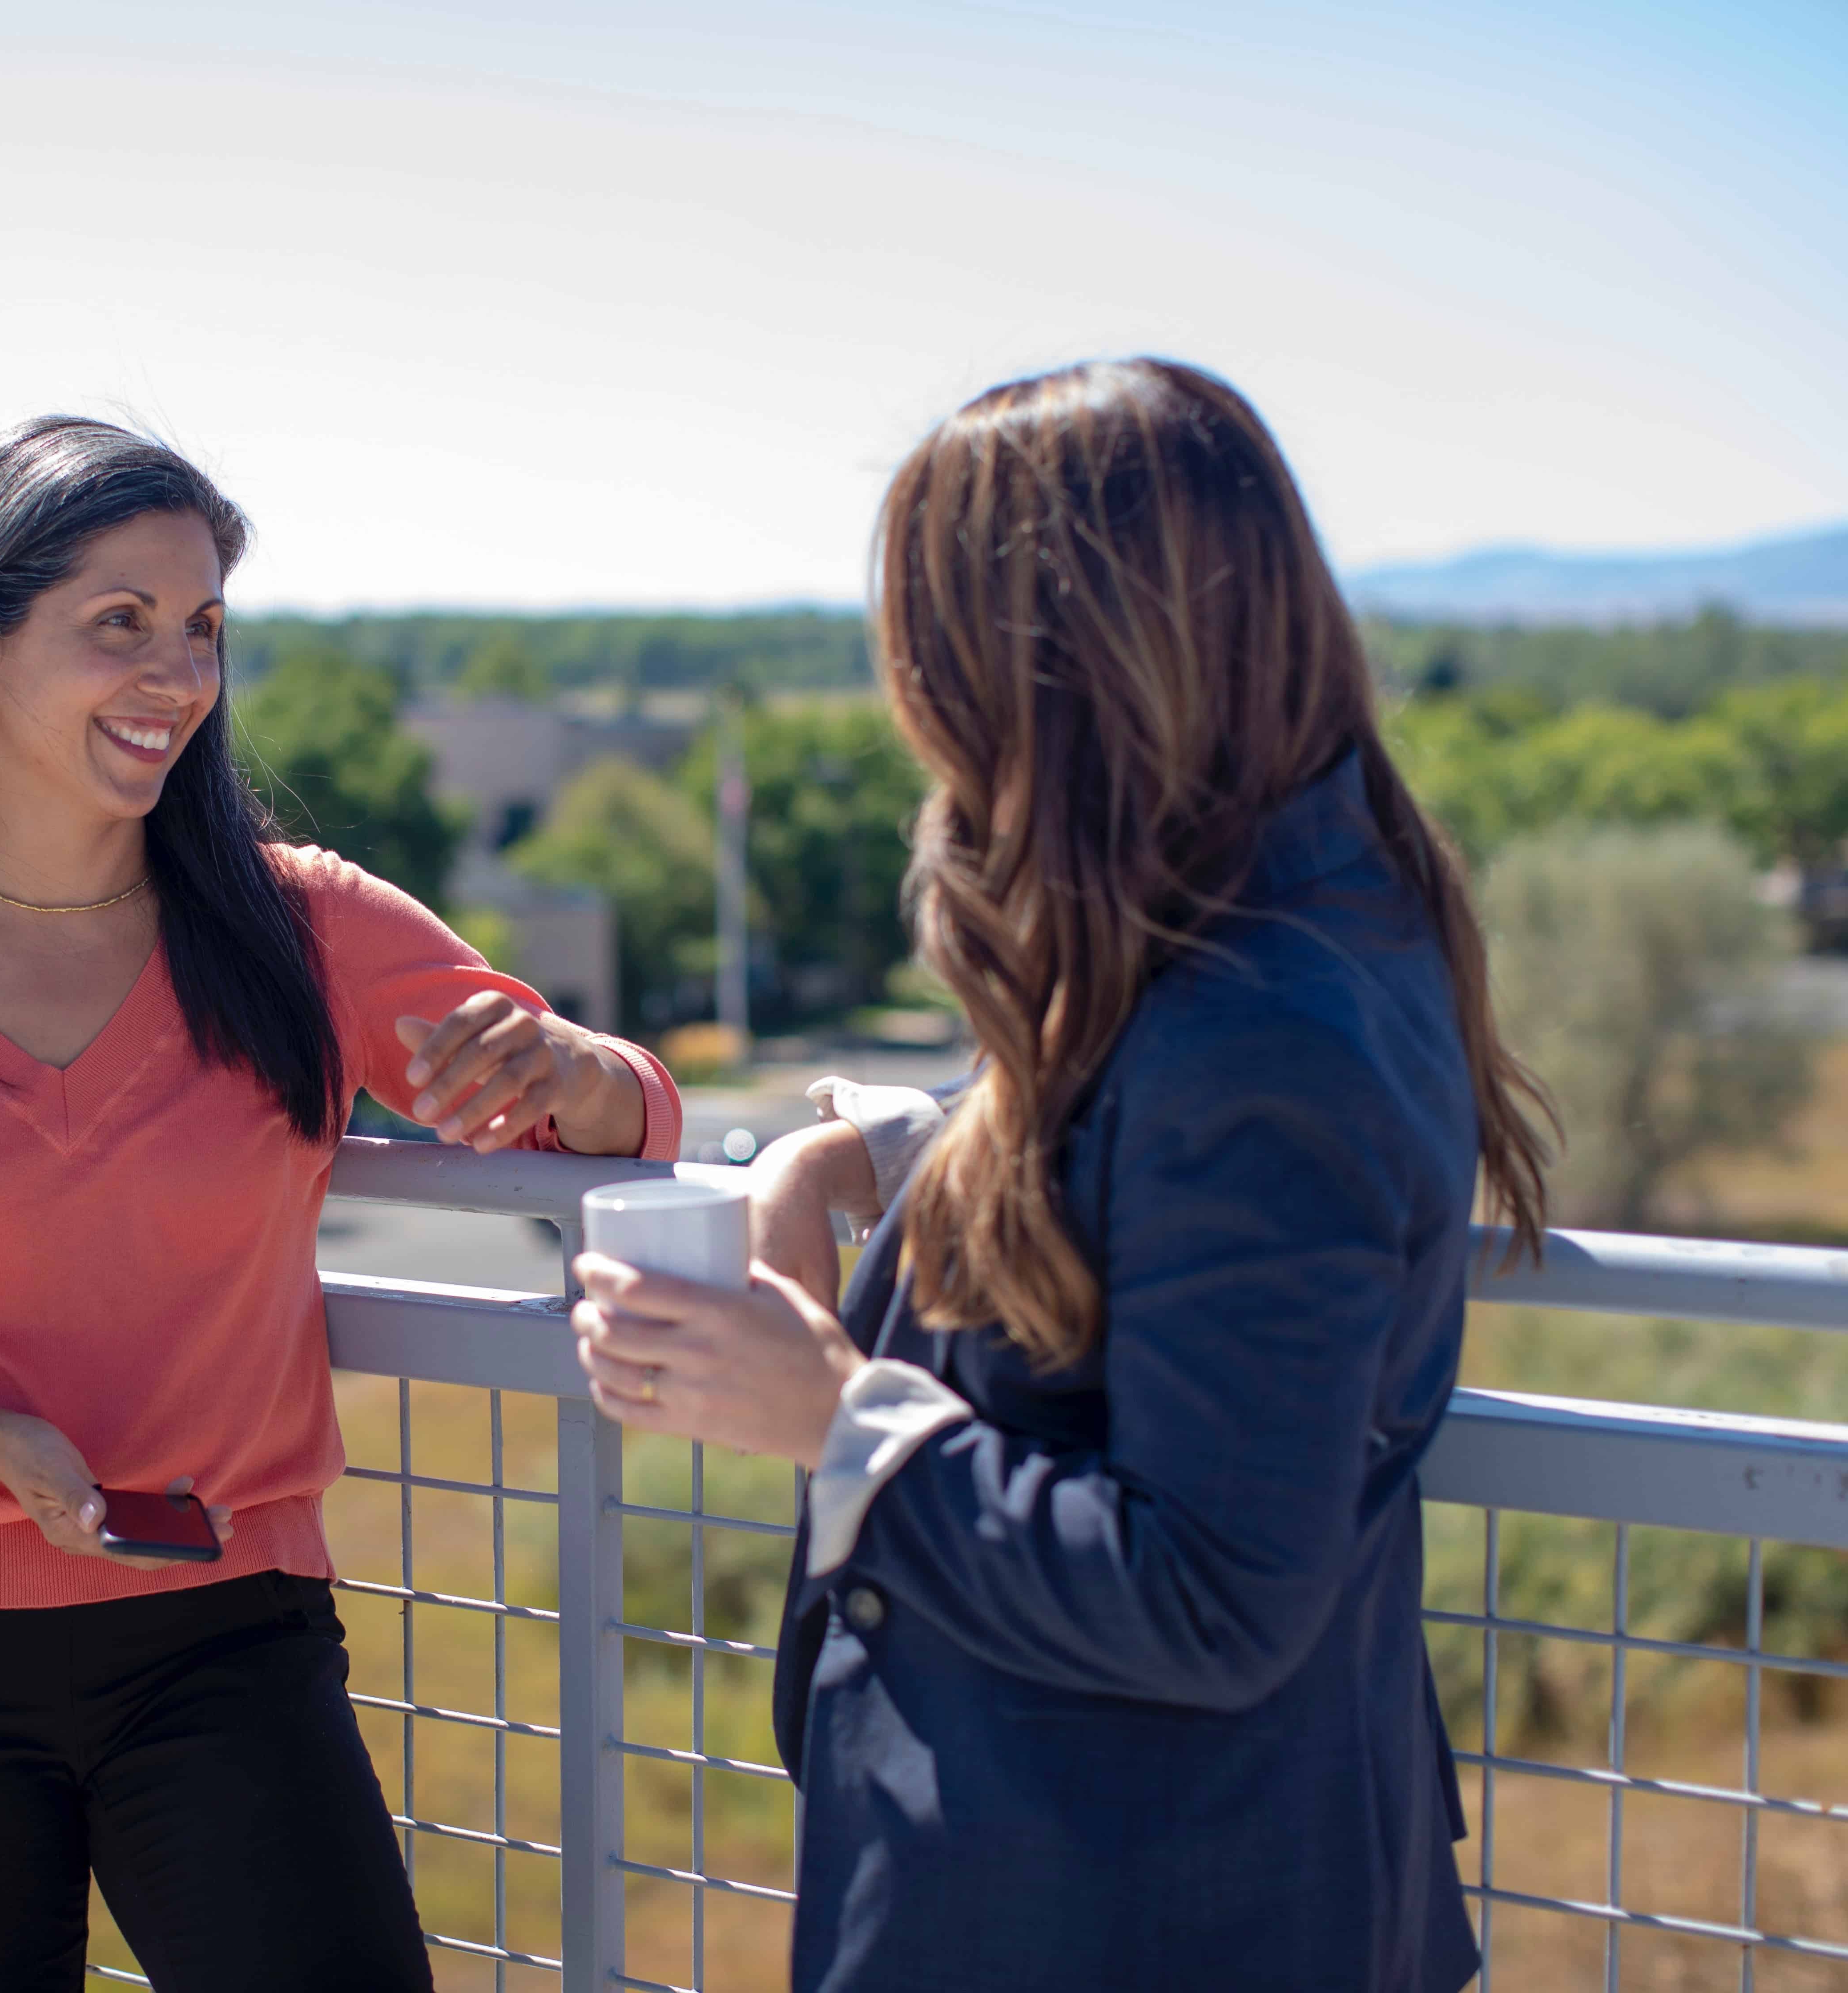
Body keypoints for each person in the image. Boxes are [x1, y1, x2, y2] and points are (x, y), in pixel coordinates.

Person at [0, 417, 682, 1993]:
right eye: (119, 624)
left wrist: (571, 1068)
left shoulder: (301, 924)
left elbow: (618, 1116)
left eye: (201, 627)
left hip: (228, 1635)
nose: (177, 676)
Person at [569, 359, 1550, 1992]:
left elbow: (1213, 1595)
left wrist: (832, 1416)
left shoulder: (1266, 1027)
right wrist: (883, 1152)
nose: (914, 701)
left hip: (1136, 1906)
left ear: (1053, 665)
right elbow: (1135, 1127)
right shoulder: (1292, 909)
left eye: (931, 646)